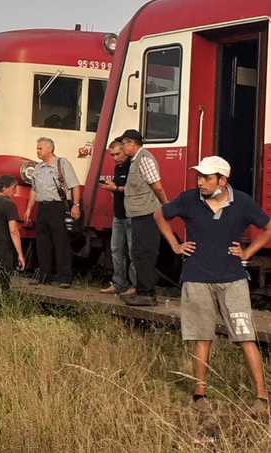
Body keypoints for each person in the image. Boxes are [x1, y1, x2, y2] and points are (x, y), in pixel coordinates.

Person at [155, 156, 271, 417]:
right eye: (199, 176)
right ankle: (200, 394)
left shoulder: (241, 202)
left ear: (222, 180)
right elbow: (159, 214)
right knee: (202, 337)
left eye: (207, 177)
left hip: (233, 281)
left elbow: (268, 228)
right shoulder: (188, 199)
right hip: (196, 278)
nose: (200, 182)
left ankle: (262, 398)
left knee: (246, 337)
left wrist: (247, 252)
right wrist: (175, 245)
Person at [23, 137, 81, 288]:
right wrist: (29, 209)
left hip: (58, 206)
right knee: (42, 242)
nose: (38, 151)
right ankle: (44, 276)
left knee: (61, 242)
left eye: (40, 148)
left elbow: (75, 185)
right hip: (43, 207)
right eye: (37, 148)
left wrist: (76, 205)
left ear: (49, 149)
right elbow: (34, 190)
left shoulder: (62, 164)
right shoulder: (38, 168)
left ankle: (64, 277)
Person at [119, 129, 168, 306]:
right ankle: (142, 291)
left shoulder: (144, 158)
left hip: (147, 213)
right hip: (139, 213)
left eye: (124, 143)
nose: (122, 146)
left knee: (145, 253)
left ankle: (147, 293)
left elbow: (157, 185)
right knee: (138, 253)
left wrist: (165, 204)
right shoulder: (134, 161)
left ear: (132, 143)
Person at [99, 138, 136, 295]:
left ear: (125, 151)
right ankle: (119, 283)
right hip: (119, 214)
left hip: (132, 215)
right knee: (116, 249)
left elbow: (135, 189)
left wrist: (116, 188)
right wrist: (112, 189)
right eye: (112, 155)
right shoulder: (117, 168)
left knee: (133, 251)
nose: (115, 158)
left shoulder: (132, 166)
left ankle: (136, 286)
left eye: (117, 154)